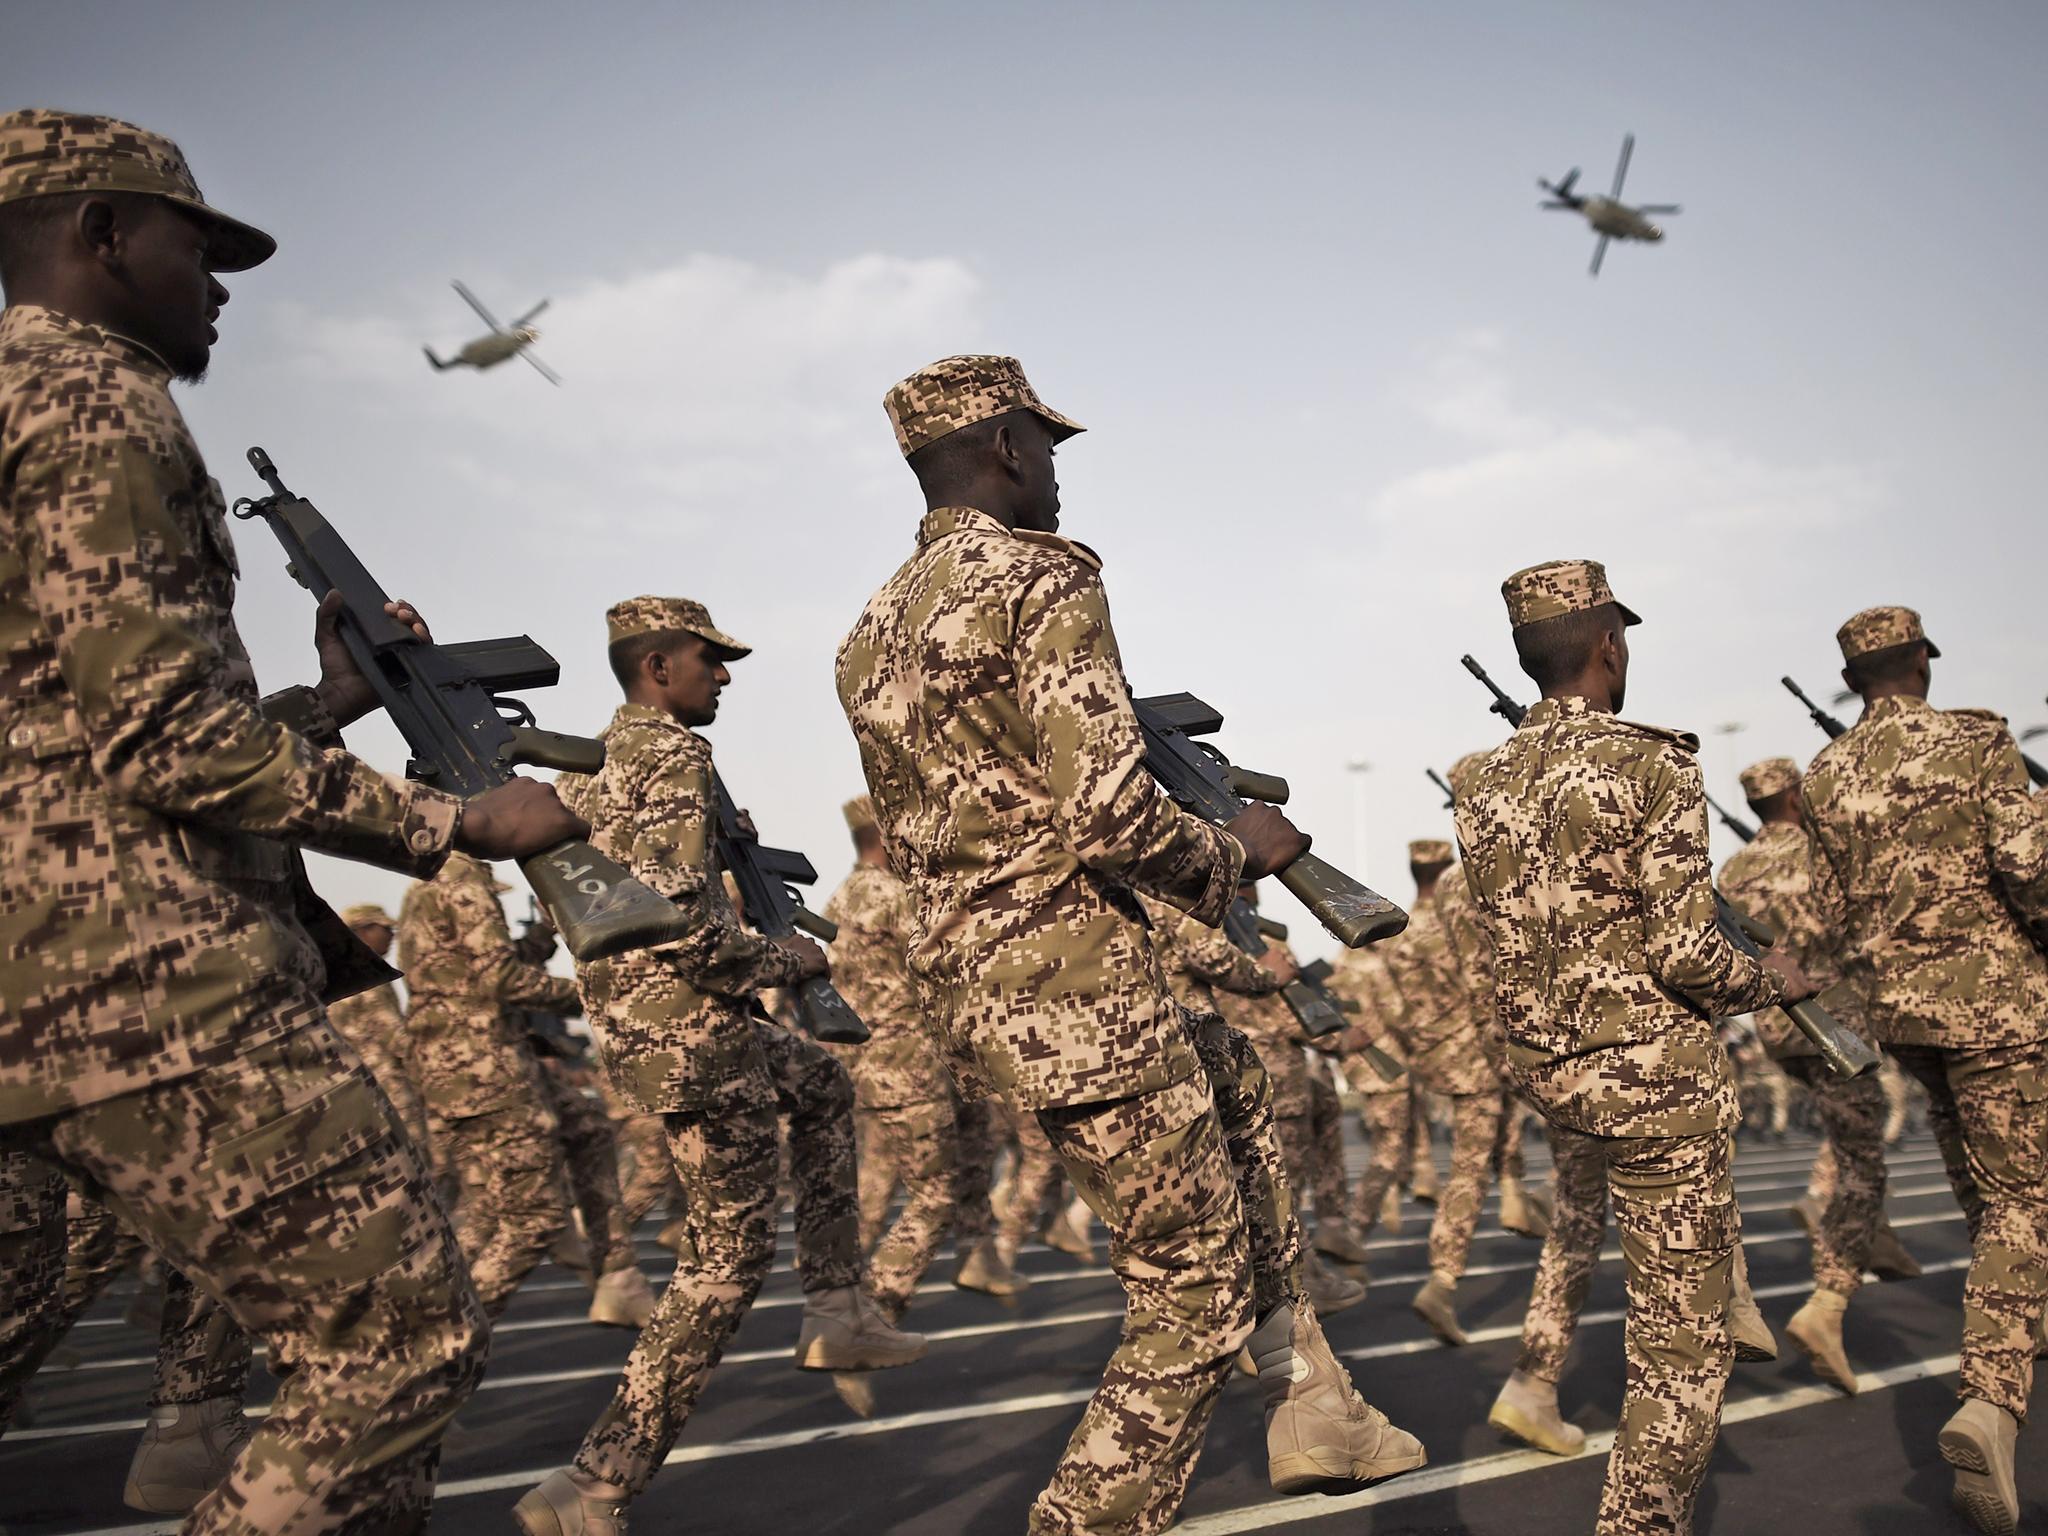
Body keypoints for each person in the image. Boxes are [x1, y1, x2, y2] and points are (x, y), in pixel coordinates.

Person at [0, 107, 584, 1532]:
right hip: (143, 980)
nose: (218, 285)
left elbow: (68, 727)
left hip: (43, 977)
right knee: (400, 1334)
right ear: (98, 234)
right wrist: (454, 826)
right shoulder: (93, 400)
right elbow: (164, 741)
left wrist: (326, 704)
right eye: (196, 247)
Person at [836, 355, 1421, 1534]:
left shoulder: (871, 628)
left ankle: (1316, 1394)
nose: (1054, 470)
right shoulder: (1039, 578)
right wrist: (1239, 854)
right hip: (1077, 985)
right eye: (1044, 445)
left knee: (1234, 1083)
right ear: (1004, 444)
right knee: (1188, 1295)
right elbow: (1104, 815)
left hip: (986, 989)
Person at [516, 596, 924, 1536]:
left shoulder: (595, 768)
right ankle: (595, 1484)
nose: (725, 676)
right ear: (658, 667)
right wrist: (793, 960)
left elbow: (572, 912)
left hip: (648, 1024)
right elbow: (681, 930)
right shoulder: (669, 756)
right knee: (722, 1268)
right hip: (695, 1031)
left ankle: (837, 1302)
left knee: (823, 1084)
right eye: (710, 660)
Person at [1455, 558, 1810, 1536]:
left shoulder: (1477, 782)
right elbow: (1686, 953)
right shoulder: (1651, 764)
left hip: (1553, 1075)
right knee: (1677, 1347)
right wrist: (1769, 983)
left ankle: (1539, 1375)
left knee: (1584, 1231)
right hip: (1651, 1083)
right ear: (1609, 645)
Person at [1800, 604, 2048, 1535]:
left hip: (1903, 1015)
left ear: (1857, 678)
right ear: (1919, 661)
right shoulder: (1976, 740)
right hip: (1996, 1003)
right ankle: (1991, 1399)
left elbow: (1830, 912)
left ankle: (2021, 1318)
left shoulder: (1826, 774)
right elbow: (2029, 869)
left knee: (1988, 1187)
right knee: (2027, 1194)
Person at [1717, 754, 1919, 1393]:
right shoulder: (1824, 853)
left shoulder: (1735, 868)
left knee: (1843, 1132)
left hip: (1780, 1030)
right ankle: (1828, 1302)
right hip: (1838, 1026)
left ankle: (1873, 1235)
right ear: (1799, 798)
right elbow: (1867, 931)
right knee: (1864, 1161)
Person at [823, 794, 992, 1311]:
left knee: (877, 1182)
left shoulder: (841, 898)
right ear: (886, 835)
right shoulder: (896, 898)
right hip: (908, 1068)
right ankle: (877, 1303)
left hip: (863, 1066)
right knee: (934, 1193)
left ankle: (834, 1290)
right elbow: (954, 960)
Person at [400, 851, 585, 1318]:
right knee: (535, 1218)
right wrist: (591, 994)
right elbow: (499, 979)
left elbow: (480, 966)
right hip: (487, 1073)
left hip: (456, 1074)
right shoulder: (461, 875)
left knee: (484, 1209)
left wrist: (546, 932)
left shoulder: (430, 881)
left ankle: (423, 1313)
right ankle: (445, 1333)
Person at [1375, 839, 1507, 1346]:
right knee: (1471, 1170)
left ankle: (1514, 1196)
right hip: (1479, 1054)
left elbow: (1395, 1009)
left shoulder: (1398, 933)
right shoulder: (1464, 918)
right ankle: (1444, 1277)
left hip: (1434, 1060)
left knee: (1465, 1154)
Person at [327, 903, 431, 1148]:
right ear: (362, 931)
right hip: (389, 1085)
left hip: (358, 1088)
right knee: (416, 1152)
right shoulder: (365, 976)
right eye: (384, 928)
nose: (391, 935)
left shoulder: (336, 973)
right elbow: (396, 1039)